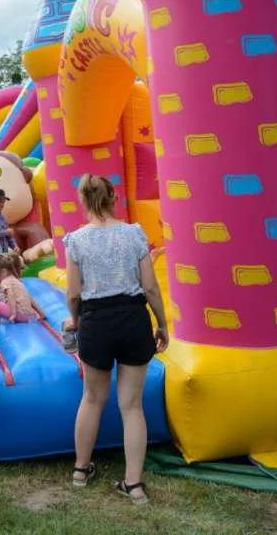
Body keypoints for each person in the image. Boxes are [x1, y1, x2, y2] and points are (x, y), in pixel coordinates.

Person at [64, 174, 168, 504]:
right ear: (113, 198)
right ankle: (133, 484)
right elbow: (150, 287)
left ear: (83, 201)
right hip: (132, 317)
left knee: (92, 398)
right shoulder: (133, 233)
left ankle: (81, 470)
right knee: (132, 405)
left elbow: (72, 293)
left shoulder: (76, 241)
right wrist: (162, 323)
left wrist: (78, 322)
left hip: (96, 319)